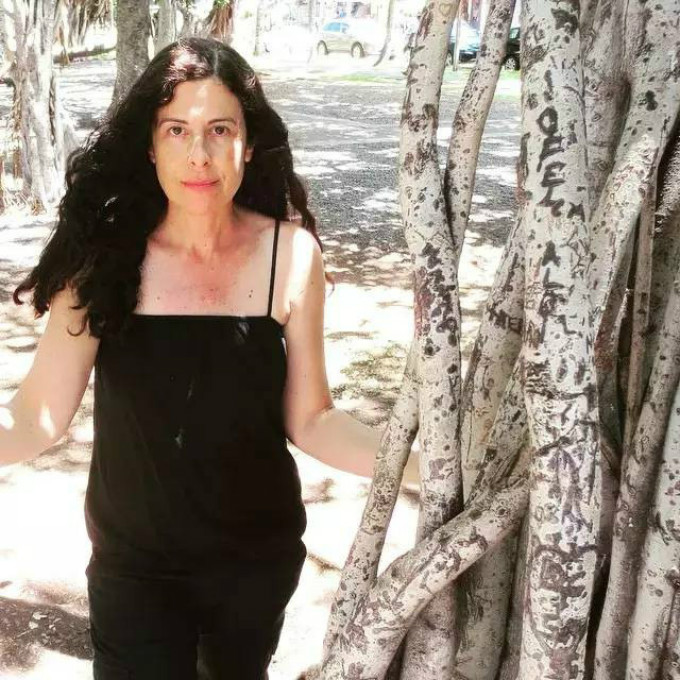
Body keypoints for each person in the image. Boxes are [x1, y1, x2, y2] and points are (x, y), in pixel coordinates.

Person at [0, 37, 417, 679]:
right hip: (134, 567)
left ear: (248, 144)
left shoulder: (290, 255)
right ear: (150, 144)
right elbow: (37, 418)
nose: (199, 153)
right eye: (177, 129)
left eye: (220, 129)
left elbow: (313, 419)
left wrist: (420, 467)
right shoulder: (103, 262)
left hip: (255, 562)